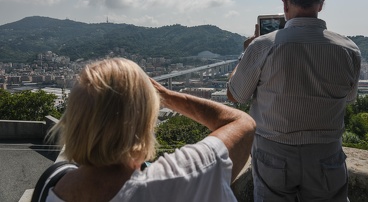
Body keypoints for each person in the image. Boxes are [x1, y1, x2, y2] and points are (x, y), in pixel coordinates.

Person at [227, 0, 361, 202]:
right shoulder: (349, 49)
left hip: (273, 153)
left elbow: (235, 95)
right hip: (326, 154)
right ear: (322, 3)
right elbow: (348, 98)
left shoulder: (262, 46)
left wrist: (245, 53)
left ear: (284, 1)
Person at [46, 58, 256, 201]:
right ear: (143, 119)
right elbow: (242, 123)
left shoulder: (54, 191)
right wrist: (166, 95)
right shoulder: (174, 179)